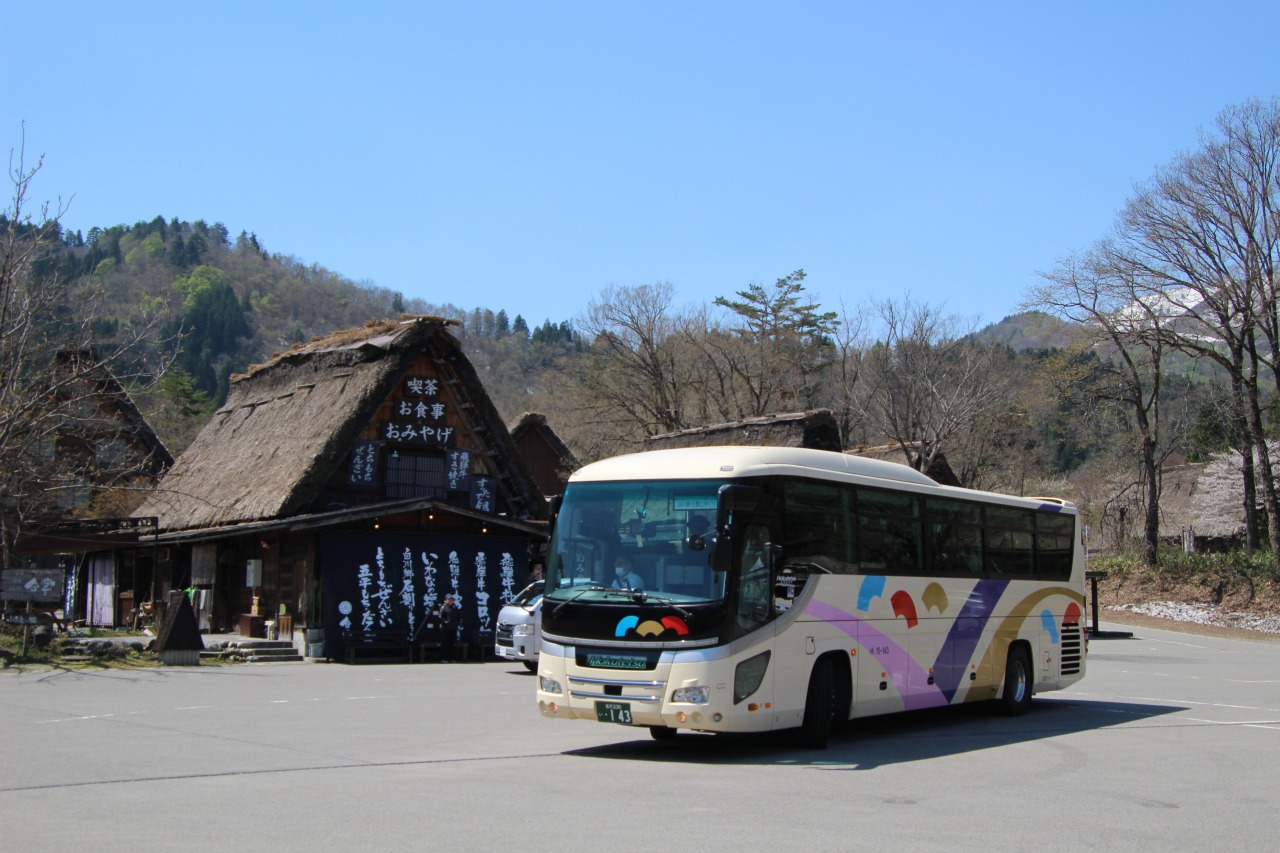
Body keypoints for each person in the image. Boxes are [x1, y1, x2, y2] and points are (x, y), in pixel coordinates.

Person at [438, 593, 461, 661]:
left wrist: (456, 623)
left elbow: (458, 617)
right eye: (449, 599)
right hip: (445, 629)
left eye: (452, 599)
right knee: (445, 643)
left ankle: (451, 658)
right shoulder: (443, 607)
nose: (451, 600)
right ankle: (443, 658)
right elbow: (440, 617)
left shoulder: (455, 608)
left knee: (452, 644)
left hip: (453, 629)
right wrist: (445, 623)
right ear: (445, 600)